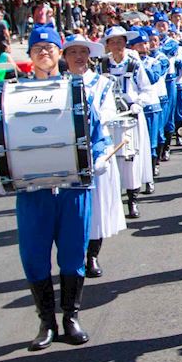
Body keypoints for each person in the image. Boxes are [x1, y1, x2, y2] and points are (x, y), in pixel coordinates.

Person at [6, 25, 111, 350]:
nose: (43, 53)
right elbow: (5, 137)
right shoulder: (15, 93)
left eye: (49, 47)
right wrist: (5, 171)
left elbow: (98, 135)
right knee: (34, 256)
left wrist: (98, 158)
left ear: (58, 54)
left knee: (73, 254)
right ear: (30, 54)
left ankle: (71, 317)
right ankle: (46, 321)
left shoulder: (76, 91)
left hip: (72, 188)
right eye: (37, 48)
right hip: (33, 191)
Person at [62, 34, 126, 274]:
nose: (78, 56)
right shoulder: (59, 84)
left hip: (96, 149)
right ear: (65, 57)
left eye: (83, 52)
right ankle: (74, 255)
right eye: (73, 52)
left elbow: (108, 113)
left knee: (97, 207)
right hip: (68, 150)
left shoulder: (102, 83)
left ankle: (92, 255)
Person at [100, 26, 155, 222]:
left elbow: (147, 89)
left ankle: (133, 200)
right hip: (110, 117)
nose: (117, 45)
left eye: (120, 41)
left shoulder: (134, 64)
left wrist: (138, 103)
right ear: (107, 45)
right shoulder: (102, 65)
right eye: (113, 42)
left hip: (130, 115)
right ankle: (113, 200)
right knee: (110, 157)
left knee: (130, 157)